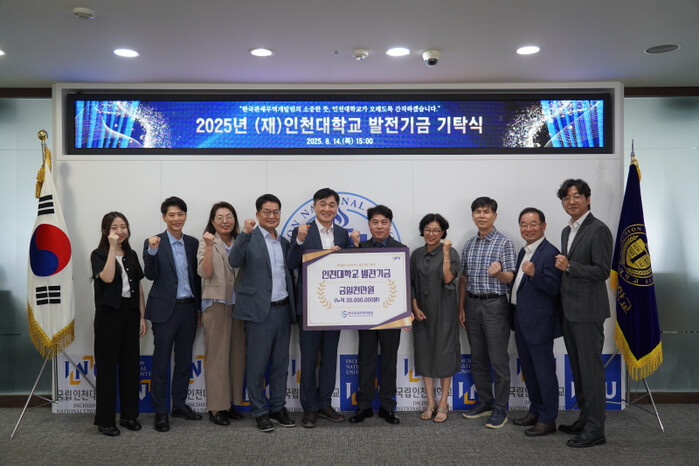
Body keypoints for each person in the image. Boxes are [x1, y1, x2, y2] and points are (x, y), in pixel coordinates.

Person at [228, 194, 296, 432]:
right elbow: (234, 261)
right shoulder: (249, 238)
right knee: (256, 365)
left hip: (283, 309)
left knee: (280, 365)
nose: (272, 216)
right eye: (266, 212)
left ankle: (278, 407)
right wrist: (244, 234)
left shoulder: (284, 242)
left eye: (276, 212)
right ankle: (259, 411)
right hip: (258, 312)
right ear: (257, 214)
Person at [554, 179, 612, 448]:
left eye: (577, 196)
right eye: (566, 198)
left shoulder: (598, 229)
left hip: (588, 312)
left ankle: (596, 429)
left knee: (591, 371)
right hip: (570, 311)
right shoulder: (567, 230)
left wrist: (569, 267)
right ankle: (585, 418)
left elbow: (602, 271)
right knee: (578, 370)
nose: (571, 201)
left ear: (588, 199)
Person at [287, 188, 350, 428]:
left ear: (337, 208)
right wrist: (299, 241)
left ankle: (325, 403)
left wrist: (346, 252)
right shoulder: (302, 231)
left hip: (334, 307)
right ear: (314, 206)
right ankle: (310, 408)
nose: (327, 209)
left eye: (332, 205)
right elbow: (291, 263)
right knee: (310, 357)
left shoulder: (342, 234)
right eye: (322, 204)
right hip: (309, 306)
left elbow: (350, 268)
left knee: (330, 357)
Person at [143, 196, 203, 433]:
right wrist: (152, 251)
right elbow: (150, 274)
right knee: (161, 361)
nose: (176, 219)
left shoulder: (193, 243)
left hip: (188, 309)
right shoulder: (154, 242)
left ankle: (179, 405)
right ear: (164, 217)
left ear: (185, 216)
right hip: (164, 311)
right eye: (171, 215)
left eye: (180, 214)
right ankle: (160, 411)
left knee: (184, 360)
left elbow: (197, 278)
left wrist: (199, 309)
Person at [458, 196, 516, 429]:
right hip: (472, 304)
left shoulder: (504, 243)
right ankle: (485, 402)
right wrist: (461, 307)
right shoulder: (469, 245)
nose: (481, 215)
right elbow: (463, 279)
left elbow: (510, 277)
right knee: (478, 357)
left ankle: (501, 408)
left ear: (495, 215)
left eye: (486, 211)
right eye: (478, 212)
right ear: (473, 216)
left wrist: (499, 274)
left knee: (498, 359)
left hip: (495, 305)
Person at [348, 204, 408, 425]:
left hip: (392, 315)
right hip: (365, 315)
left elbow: (406, 284)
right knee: (366, 360)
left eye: (384, 222)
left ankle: (388, 407)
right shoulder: (360, 246)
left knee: (389, 361)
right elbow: (350, 275)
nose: (379, 226)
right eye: (375, 222)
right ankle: (363, 406)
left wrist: (406, 311)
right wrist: (355, 248)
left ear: (390, 225)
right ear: (369, 225)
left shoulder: (400, 249)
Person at [90, 212, 147, 436]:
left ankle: (129, 415)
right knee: (107, 369)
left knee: (130, 367)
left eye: (123, 226)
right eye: (115, 227)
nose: (120, 231)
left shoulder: (131, 254)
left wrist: (141, 316)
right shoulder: (99, 254)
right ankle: (105, 420)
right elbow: (107, 278)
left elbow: (139, 288)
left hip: (130, 313)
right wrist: (113, 248)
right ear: (106, 230)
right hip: (108, 315)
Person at [510, 207, 562, 437]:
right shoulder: (525, 251)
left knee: (544, 372)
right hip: (521, 320)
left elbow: (554, 287)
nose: (528, 228)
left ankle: (548, 419)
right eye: (524, 224)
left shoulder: (550, 252)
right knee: (530, 371)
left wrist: (534, 274)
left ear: (543, 226)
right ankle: (536, 410)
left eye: (533, 224)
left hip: (539, 323)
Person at [196, 202, 245, 426]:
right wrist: (208, 247)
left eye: (229, 216)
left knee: (236, 357)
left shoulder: (241, 241)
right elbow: (205, 272)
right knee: (217, 358)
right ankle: (216, 407)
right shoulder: (207, 241)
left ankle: (231, 403)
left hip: (240, 306)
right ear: (213, 221)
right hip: (216, 304)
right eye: (220, 217)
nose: (225, 221)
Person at [410, 213, 460, 423]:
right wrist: (414, 307)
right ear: (422, 231)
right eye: (428, 230)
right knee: (425, 354)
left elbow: (448, 278)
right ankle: (430, 402)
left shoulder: (451, 252)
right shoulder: (416, 254)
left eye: (436, 231)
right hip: (421, 313)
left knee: (445, 355)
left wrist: (446, 252)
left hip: (445, 311)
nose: (431, 234)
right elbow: (411, 283)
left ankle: (443, 403)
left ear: (443, 232)